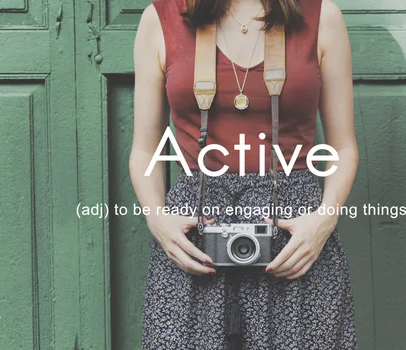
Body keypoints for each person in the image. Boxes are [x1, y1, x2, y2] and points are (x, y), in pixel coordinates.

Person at [129, 0, 358, 348]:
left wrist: (322, 222)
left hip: (294, 238)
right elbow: (145, 149)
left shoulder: (320, 15)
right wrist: (157, 220)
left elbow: (343, 147)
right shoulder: (161, 17)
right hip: (194, 238)